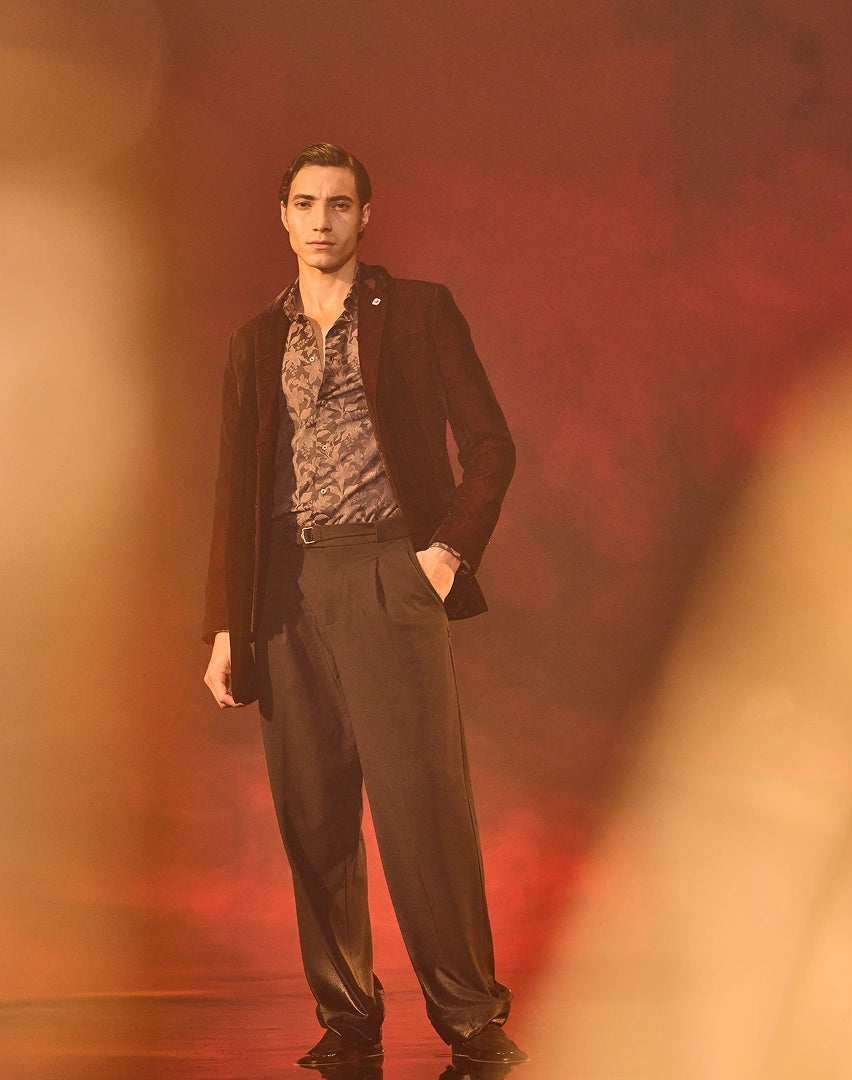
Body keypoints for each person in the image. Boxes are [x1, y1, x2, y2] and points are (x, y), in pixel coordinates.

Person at [202, 143, 526, 1069]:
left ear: (365, 216)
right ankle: (347, 1018)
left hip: (390, 570)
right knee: (312, 813)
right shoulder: (255, 340)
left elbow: (492, 446)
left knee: (423, 804)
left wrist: (444, 555)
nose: (321, 221)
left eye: (339, 204)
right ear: (283, 215)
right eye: (305, 203)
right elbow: (235, 491)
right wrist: (224, 624)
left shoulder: (419, 311)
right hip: (285, 590)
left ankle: (471, 1020)